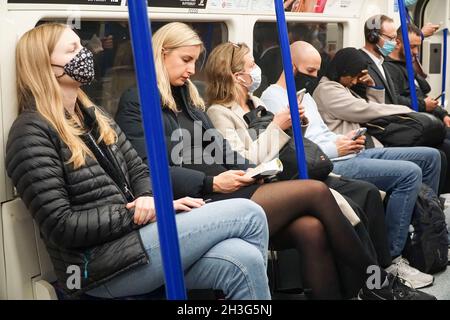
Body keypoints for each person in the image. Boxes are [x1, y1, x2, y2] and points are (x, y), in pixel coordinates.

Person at [115, 22, 436, 300]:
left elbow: (220, 152)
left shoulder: (188, 99)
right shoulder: (137, 102)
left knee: (310, 229)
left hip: (225, 187)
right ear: (161, 55)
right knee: (314, 192)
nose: (190, 70)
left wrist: (250, 170)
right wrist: (211, 181)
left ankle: (355, 291)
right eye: (185, 60)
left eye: (194, 61)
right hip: (195, 200)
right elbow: (149, 169)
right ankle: (376, 284)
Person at [6, 23, 273, 301]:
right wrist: (138, 213)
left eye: (82, 46)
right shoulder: (30, 132)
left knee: (243, 260)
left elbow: (138, 169)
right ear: (44, 65)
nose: (84, 54)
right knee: (249, 213)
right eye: (72, 50)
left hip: (133, 241)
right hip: (94, 267)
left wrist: (149, 199)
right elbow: (61, 225)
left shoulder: (94, 116)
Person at [260, 41, 439, 289]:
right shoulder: (272, 97)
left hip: (341, 151)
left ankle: (426, 232)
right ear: (291, 67)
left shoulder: (305, 96)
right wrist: (337, 148)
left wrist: (343, 140)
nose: (314, 77)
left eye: (316, 71)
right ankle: (393, 257)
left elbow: (321, 133)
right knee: (409, 173)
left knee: (429, 155)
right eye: (310, 71)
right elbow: (294, 148)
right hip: (327, 162)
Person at [385, 24, 450, 193]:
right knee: (445, 149)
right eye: (412, 46)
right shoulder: (389, 68)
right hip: (409, 125)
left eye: (417, 47)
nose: (415, 52)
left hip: (424, 119)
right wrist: (423, 105)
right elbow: (394, 100)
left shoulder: (408, 66)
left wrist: (443, 115)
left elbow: (422, 95)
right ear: (398, 43)